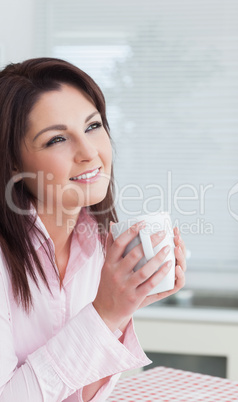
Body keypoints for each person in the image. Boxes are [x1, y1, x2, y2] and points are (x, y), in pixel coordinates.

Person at [0, 58, 186, 402]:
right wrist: (106, 313)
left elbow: (76, 394)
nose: (89, 153)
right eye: (57, 139)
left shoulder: (97, 246)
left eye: (92, 126)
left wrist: (126, 300)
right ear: (12, 161)